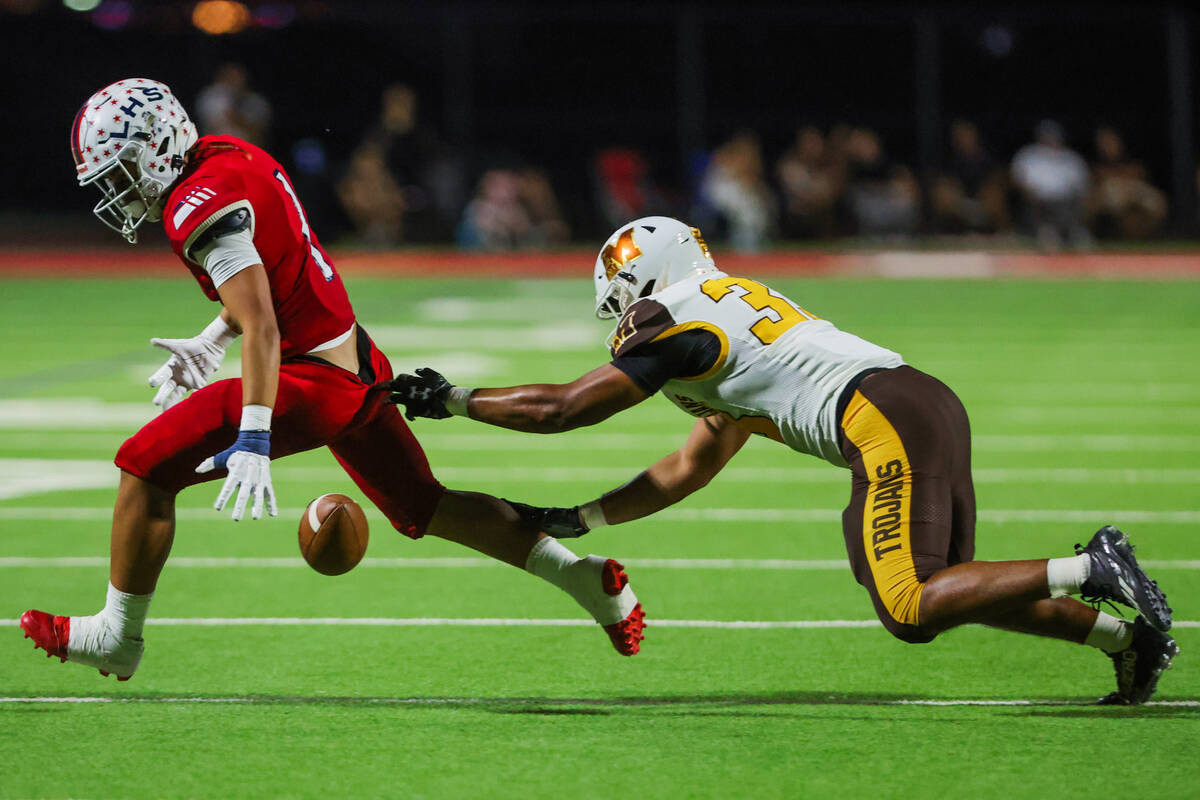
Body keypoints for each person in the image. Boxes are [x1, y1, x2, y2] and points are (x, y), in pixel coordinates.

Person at [388, 215, 1179, 705]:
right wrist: (582, 517)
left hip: (883, 419)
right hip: (920, 402)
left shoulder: (685, 323)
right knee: (937, 587)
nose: (623, 321)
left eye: (624, 302)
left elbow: (566, 407)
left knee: (908, 605)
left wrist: (454, 399)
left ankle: (1089, 566)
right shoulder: (722, 315)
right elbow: (691, 464)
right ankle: (1125, 641)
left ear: (645, 280)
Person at [19, 78, 644, 681]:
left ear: (158, 144)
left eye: (124, 170)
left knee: (145, 465)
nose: (121, 192)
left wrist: (257, 434)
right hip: (355, 360)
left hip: (308, 381)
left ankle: (118, 635)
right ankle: (584, 580)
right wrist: (214, 338)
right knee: (422, 504)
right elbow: (278, 271)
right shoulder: (228, 154)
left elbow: (262, 325)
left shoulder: (194, 207)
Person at [1010, 120, 1092, 250]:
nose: (1050, 139)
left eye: (1054, 135)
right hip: (1038, 201)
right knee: (1039, 206)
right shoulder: (1028, 155)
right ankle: (1047, 233)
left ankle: (1074, 232)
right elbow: (1017, 181)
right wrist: (1030, 193)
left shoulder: (1071, 158)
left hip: (1067, 202)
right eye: (1047, 135)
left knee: (1074, 205)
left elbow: (1082, 186)